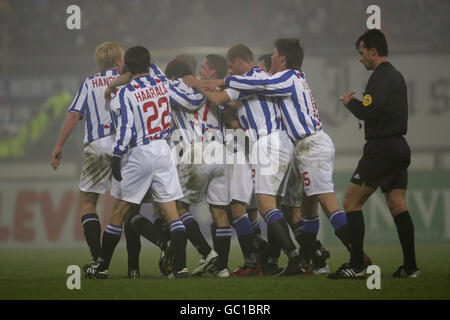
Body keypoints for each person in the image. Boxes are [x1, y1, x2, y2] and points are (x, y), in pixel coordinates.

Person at [204, 39, 362, 273]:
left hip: (303, 144)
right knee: (299, 209)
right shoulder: (289, 79)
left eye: (275, 55)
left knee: (305, 206)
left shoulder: (283, 77)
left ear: (283, 59)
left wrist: (205, 83)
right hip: (297, 146)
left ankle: (354, 259)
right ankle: (312, 259)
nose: (272, 60)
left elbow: (256, 83)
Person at [185, 43, 306, 276]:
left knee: (260, 206)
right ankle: (273, 258)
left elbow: (220, 99)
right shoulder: (266, 76)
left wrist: (197, 84)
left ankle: (291, 256)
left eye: (231, 67)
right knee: (270, 206)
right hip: (280, 142)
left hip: (263, 144)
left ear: (239, 61)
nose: (230, 72)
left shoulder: (245, 79)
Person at [85, 45, 188, 279]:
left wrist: (117, 156)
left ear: (127, 67)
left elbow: (126, 128)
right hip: (163, 149)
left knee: (119, 212)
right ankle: (180, 268)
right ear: (149, 64)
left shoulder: (124, 94)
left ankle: (102, 267)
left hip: (138, 152)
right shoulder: (162, 84)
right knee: (172, 212)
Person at [328, 29, 419, 279]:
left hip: (381, 148)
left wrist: (350, 104)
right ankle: (411, 268)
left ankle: (357, 265)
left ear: (372, 51)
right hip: (399, 146)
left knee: (350, 202)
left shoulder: (379, 77)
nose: (360, 58)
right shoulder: (397, 76)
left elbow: (370, 111)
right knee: (397, 205)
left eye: (361, 53)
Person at [50, 42, 143, 278]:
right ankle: (134, 268)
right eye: (122, 57)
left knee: (88, 203)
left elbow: (74, 115)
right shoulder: (129, 80)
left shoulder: (89, 83)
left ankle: (99, 260)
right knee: (129, 207)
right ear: (117, 61)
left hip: (96, 145)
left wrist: (59, 145)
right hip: (123, 147)